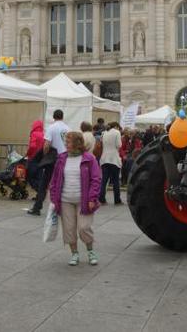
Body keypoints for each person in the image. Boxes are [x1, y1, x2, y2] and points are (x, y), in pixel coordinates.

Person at [48, 131, 101, 266]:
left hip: (84, 201)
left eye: (69, 142)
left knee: (84, 227)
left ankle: (90, 251)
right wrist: (54, 198)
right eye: (66, 141)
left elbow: (96, 179)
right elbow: (54, 180)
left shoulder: (89, 159)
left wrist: (92, 198)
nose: (66, 144)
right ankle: (74, 254)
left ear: (77, 143)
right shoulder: (61, 158)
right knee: (69, 229)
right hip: (65, 200)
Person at [28, 109, 69, 215]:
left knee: (44, 183)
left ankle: (37, 207)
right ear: (62, 116)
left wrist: (45, 156)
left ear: (53, 117)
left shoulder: (51, 128)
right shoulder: (68, 128)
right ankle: (62, 206)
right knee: (62, 183)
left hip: (53, 159)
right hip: (64, 158)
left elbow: (46, 145)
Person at [99, 122, 123, 205]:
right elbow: (119, 145)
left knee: (104, 180)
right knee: (116, 181)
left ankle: (101, 198)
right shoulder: (117, 132)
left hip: (104, 158)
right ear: (116, 126)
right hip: (114, 159)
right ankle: (117, 200)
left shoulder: (104, 133)